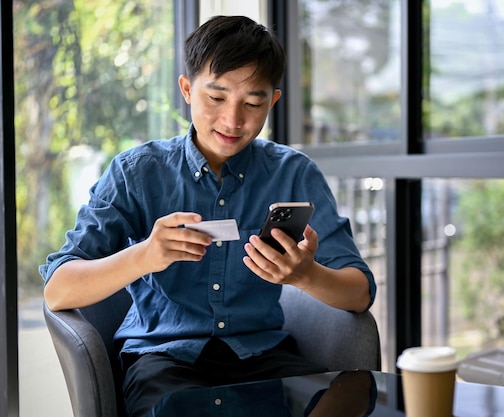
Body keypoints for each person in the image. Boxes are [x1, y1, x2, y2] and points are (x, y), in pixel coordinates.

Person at [40, 15, 376, 417]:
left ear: (273, 101)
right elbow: (59, 289)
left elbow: (359, 293)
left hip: (264, 356)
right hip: (164, 359)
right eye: (216, 98)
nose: (233, 121)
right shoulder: (137, 172)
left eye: (252, 103)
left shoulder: (294, 173)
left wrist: (305, 276)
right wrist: (146, 255)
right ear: (186, 89)